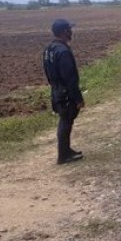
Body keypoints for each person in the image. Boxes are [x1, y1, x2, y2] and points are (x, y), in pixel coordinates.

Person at [42, 18, 85, 164]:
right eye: (69, 29)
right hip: (66, 93)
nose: (71, 32)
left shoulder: (49, 49)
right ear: (64, 32)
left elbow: (48, 74)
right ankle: (63, 155)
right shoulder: (63, 51)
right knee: (66, 122)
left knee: (65, 121)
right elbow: (70, 78)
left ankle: (66, 150)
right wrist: (78, 99)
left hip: (56, 91)